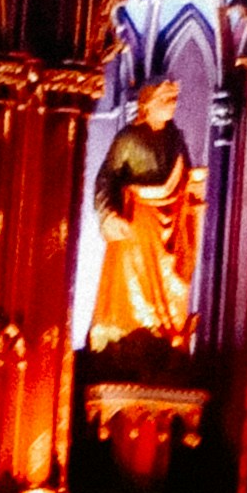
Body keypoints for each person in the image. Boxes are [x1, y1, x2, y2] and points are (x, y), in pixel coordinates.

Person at [86, 75, 202, 354]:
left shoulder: (176, 138)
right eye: (165, 100)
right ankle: (126, 334)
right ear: (147, 103)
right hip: (137, 220)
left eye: (174, 99)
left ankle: (166, 333)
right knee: (132, 284)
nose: (171, 105)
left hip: (170, 222)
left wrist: (194, 180)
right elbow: (107, 177)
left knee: (170, 279)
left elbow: (183, 175)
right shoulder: (129, 137)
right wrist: (108, 214)